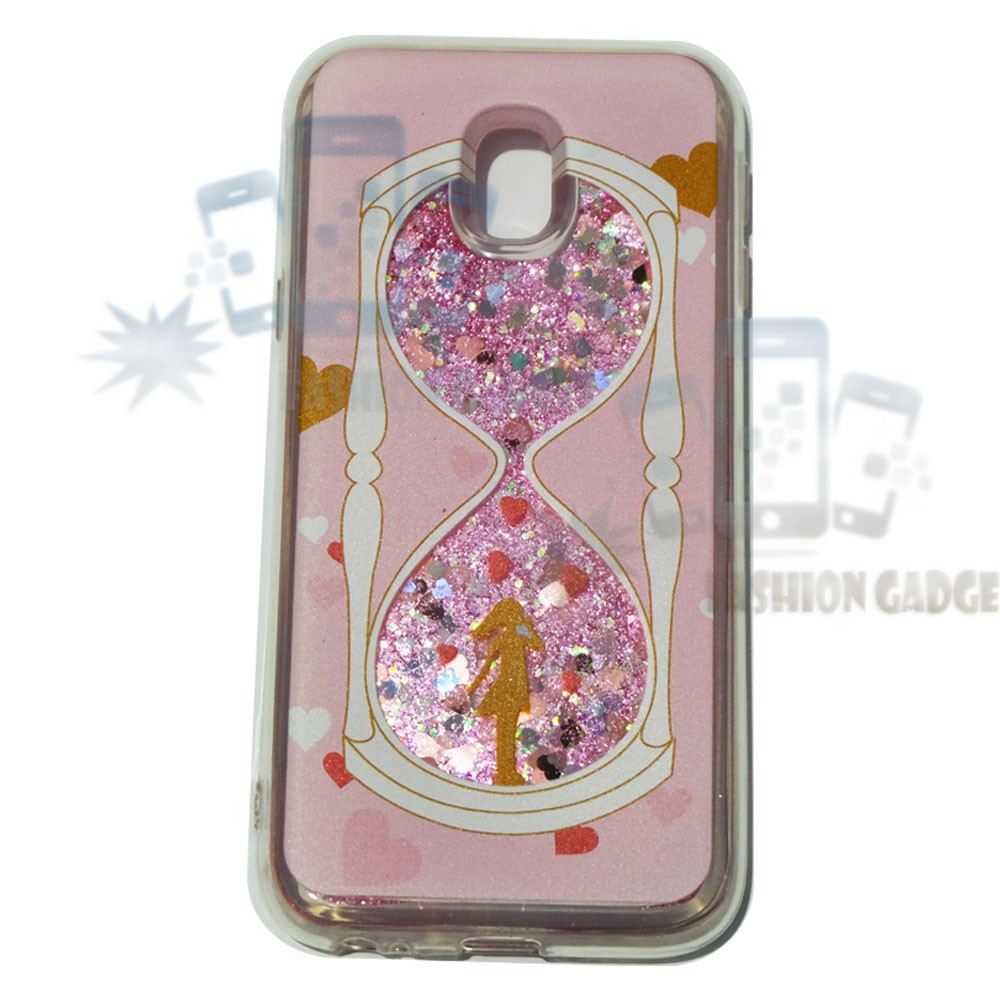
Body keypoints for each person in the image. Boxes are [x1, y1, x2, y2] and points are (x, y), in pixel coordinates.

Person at [468, 598, 545, 786]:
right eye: (516, 614)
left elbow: (538, 645)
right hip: (508, 690)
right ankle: (505, 773)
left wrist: (526, 628)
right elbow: (486, 668)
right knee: (505, 733)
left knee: (506, 733)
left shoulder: (517, 635)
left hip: (513, 689)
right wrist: (472, 688)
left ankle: (506, 772)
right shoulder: (508, 638)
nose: (519, 617)